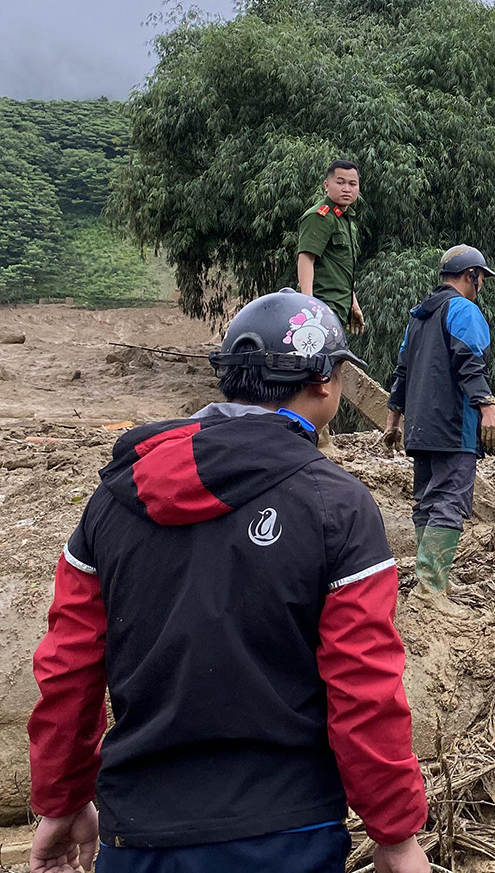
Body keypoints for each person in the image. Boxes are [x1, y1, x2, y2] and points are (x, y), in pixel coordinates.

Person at [28, 289, 428, 873]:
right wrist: (394, 835)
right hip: (289, 832)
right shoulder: (337, 507)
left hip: (137, 835)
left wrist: (61, 802)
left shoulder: (111, 502)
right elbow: (364, 687)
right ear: (323, 380)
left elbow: (67, 670)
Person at [384, 246, 495, 618]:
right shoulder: (464, 310)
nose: (481, 284)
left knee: (426, 500)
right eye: (481, 277)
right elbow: (470, 361)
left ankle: (432, 577)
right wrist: (487, 407)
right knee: (451, 501)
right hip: (454, 425)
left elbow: (402, 371)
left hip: (420, 427)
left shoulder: (419, 317)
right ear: (471, 275)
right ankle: (431, 587)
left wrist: (393, 419)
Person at [297, 159, 364, 333]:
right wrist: (308, 305)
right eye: (340, 183)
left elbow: (341, 268)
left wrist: (353, 304)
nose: (347, 189)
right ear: (326, 185)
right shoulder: (320, 216)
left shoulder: (346, 221)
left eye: (352, 184)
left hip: (339, 307)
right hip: (321, 307)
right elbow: (306, 258)